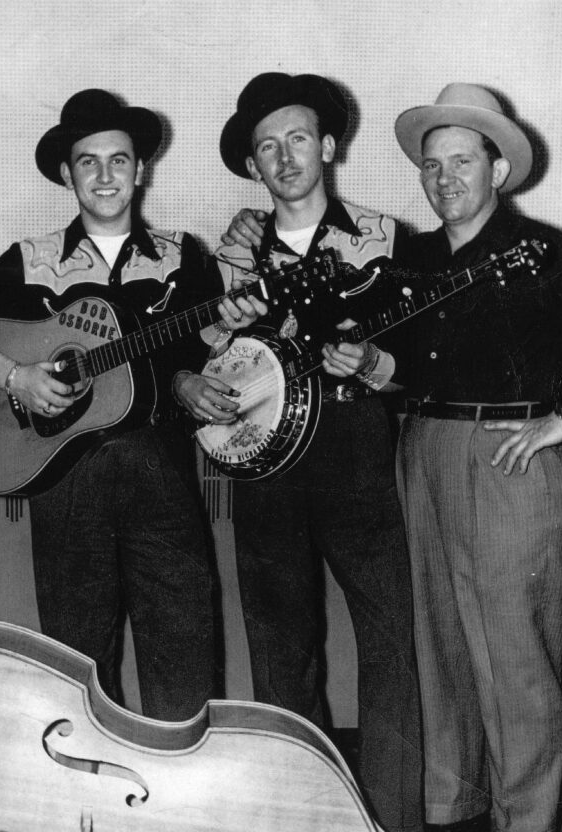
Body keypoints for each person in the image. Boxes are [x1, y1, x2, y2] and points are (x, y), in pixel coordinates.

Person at [335, 83, 562, 832]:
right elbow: (407, 366)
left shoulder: (547, 254)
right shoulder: (415, 260)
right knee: (442, 647)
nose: (444, 178)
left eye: (462, 161)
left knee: (514, 659)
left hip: (508, 461)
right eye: (432, 164)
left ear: (497, 170)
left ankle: (525, 820)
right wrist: (368, 364)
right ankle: (454, 809)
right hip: (422, 450)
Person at [0, 89, 254, 721]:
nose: (106, 175)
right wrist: (15, 376)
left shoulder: (182, 256)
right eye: (89, 162)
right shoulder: (30, 260)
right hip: (63, 471)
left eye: (120, 160)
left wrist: (190, 374)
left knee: (182, 641)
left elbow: (199, 357)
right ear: (68, 175)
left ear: (140, 170)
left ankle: (174, 774)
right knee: (75, 653)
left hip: (159, 467)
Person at [188, 73, 423, 832]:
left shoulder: (387, 239)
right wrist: (218, 339)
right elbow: (211, 364)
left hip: (358, 458)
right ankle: (303, 815)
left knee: (390, 643)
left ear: (327, 146)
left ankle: (392, 819)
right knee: (280, 651)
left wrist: (378, 364)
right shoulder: (230, 254)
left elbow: (424, 359)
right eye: (267, 147)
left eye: (297, 139)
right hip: (267, 470)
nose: (285, 157)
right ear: (252, 166)